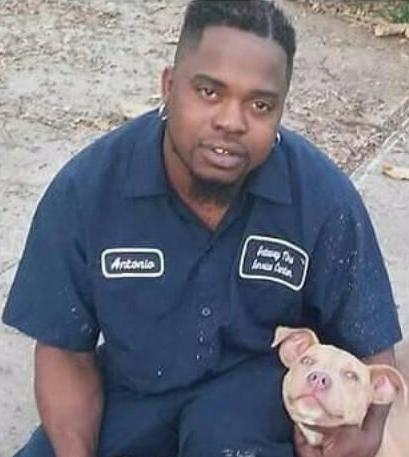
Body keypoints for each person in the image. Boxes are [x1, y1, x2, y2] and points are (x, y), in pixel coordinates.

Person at [2, 1, 402, 457]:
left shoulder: (323, 199)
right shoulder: (87, 191)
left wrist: (365, 432)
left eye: (260, 104)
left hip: (257, 413)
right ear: (169, 87)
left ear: (280, 112)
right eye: (209, 92)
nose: (231, 122)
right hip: (131, 397)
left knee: (222, 432)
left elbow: (369, 342)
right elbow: (65, 352)